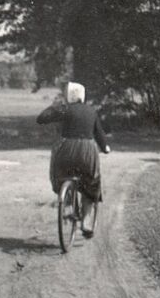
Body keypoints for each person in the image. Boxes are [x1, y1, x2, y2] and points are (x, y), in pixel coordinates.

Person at [36, 82, 110, 237]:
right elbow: (99, 134)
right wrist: (105, 148)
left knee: (60, 175)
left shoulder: (64, 109)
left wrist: (54, 106)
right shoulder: (91, 111)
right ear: (82, 96)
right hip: (87, 151)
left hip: (66, 150)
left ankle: (67, 202)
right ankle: (86, 221)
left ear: (68, 95)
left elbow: (41, 119)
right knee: (91, 182)